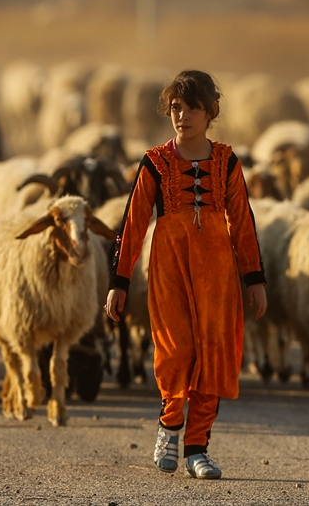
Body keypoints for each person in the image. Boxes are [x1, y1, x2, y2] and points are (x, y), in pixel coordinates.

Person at [105, 69, 267, 480]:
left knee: (213, 353)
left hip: (217, 271)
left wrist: (255, 279)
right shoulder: (155, 163)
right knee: (175, 350)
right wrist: (119, 281)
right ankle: (170, 424)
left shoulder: (227, 162)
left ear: (211, 111)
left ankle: (198, 448)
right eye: (176, 108)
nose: (183, 116)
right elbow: (133, 223)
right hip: (170, 267)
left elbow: (242, 223)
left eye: (193, 108)